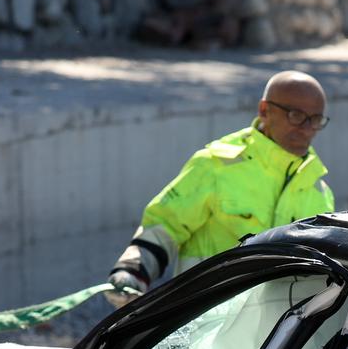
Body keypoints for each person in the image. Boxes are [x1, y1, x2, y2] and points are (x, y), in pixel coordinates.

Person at [105, 70, 335, 307]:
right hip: (202, 322)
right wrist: (132, 271)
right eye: (296, 115)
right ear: (264, 110)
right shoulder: (215, 166)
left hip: (275, 336)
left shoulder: (319, 191)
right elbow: (165, 225)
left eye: (316, 119)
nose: (306, 128)